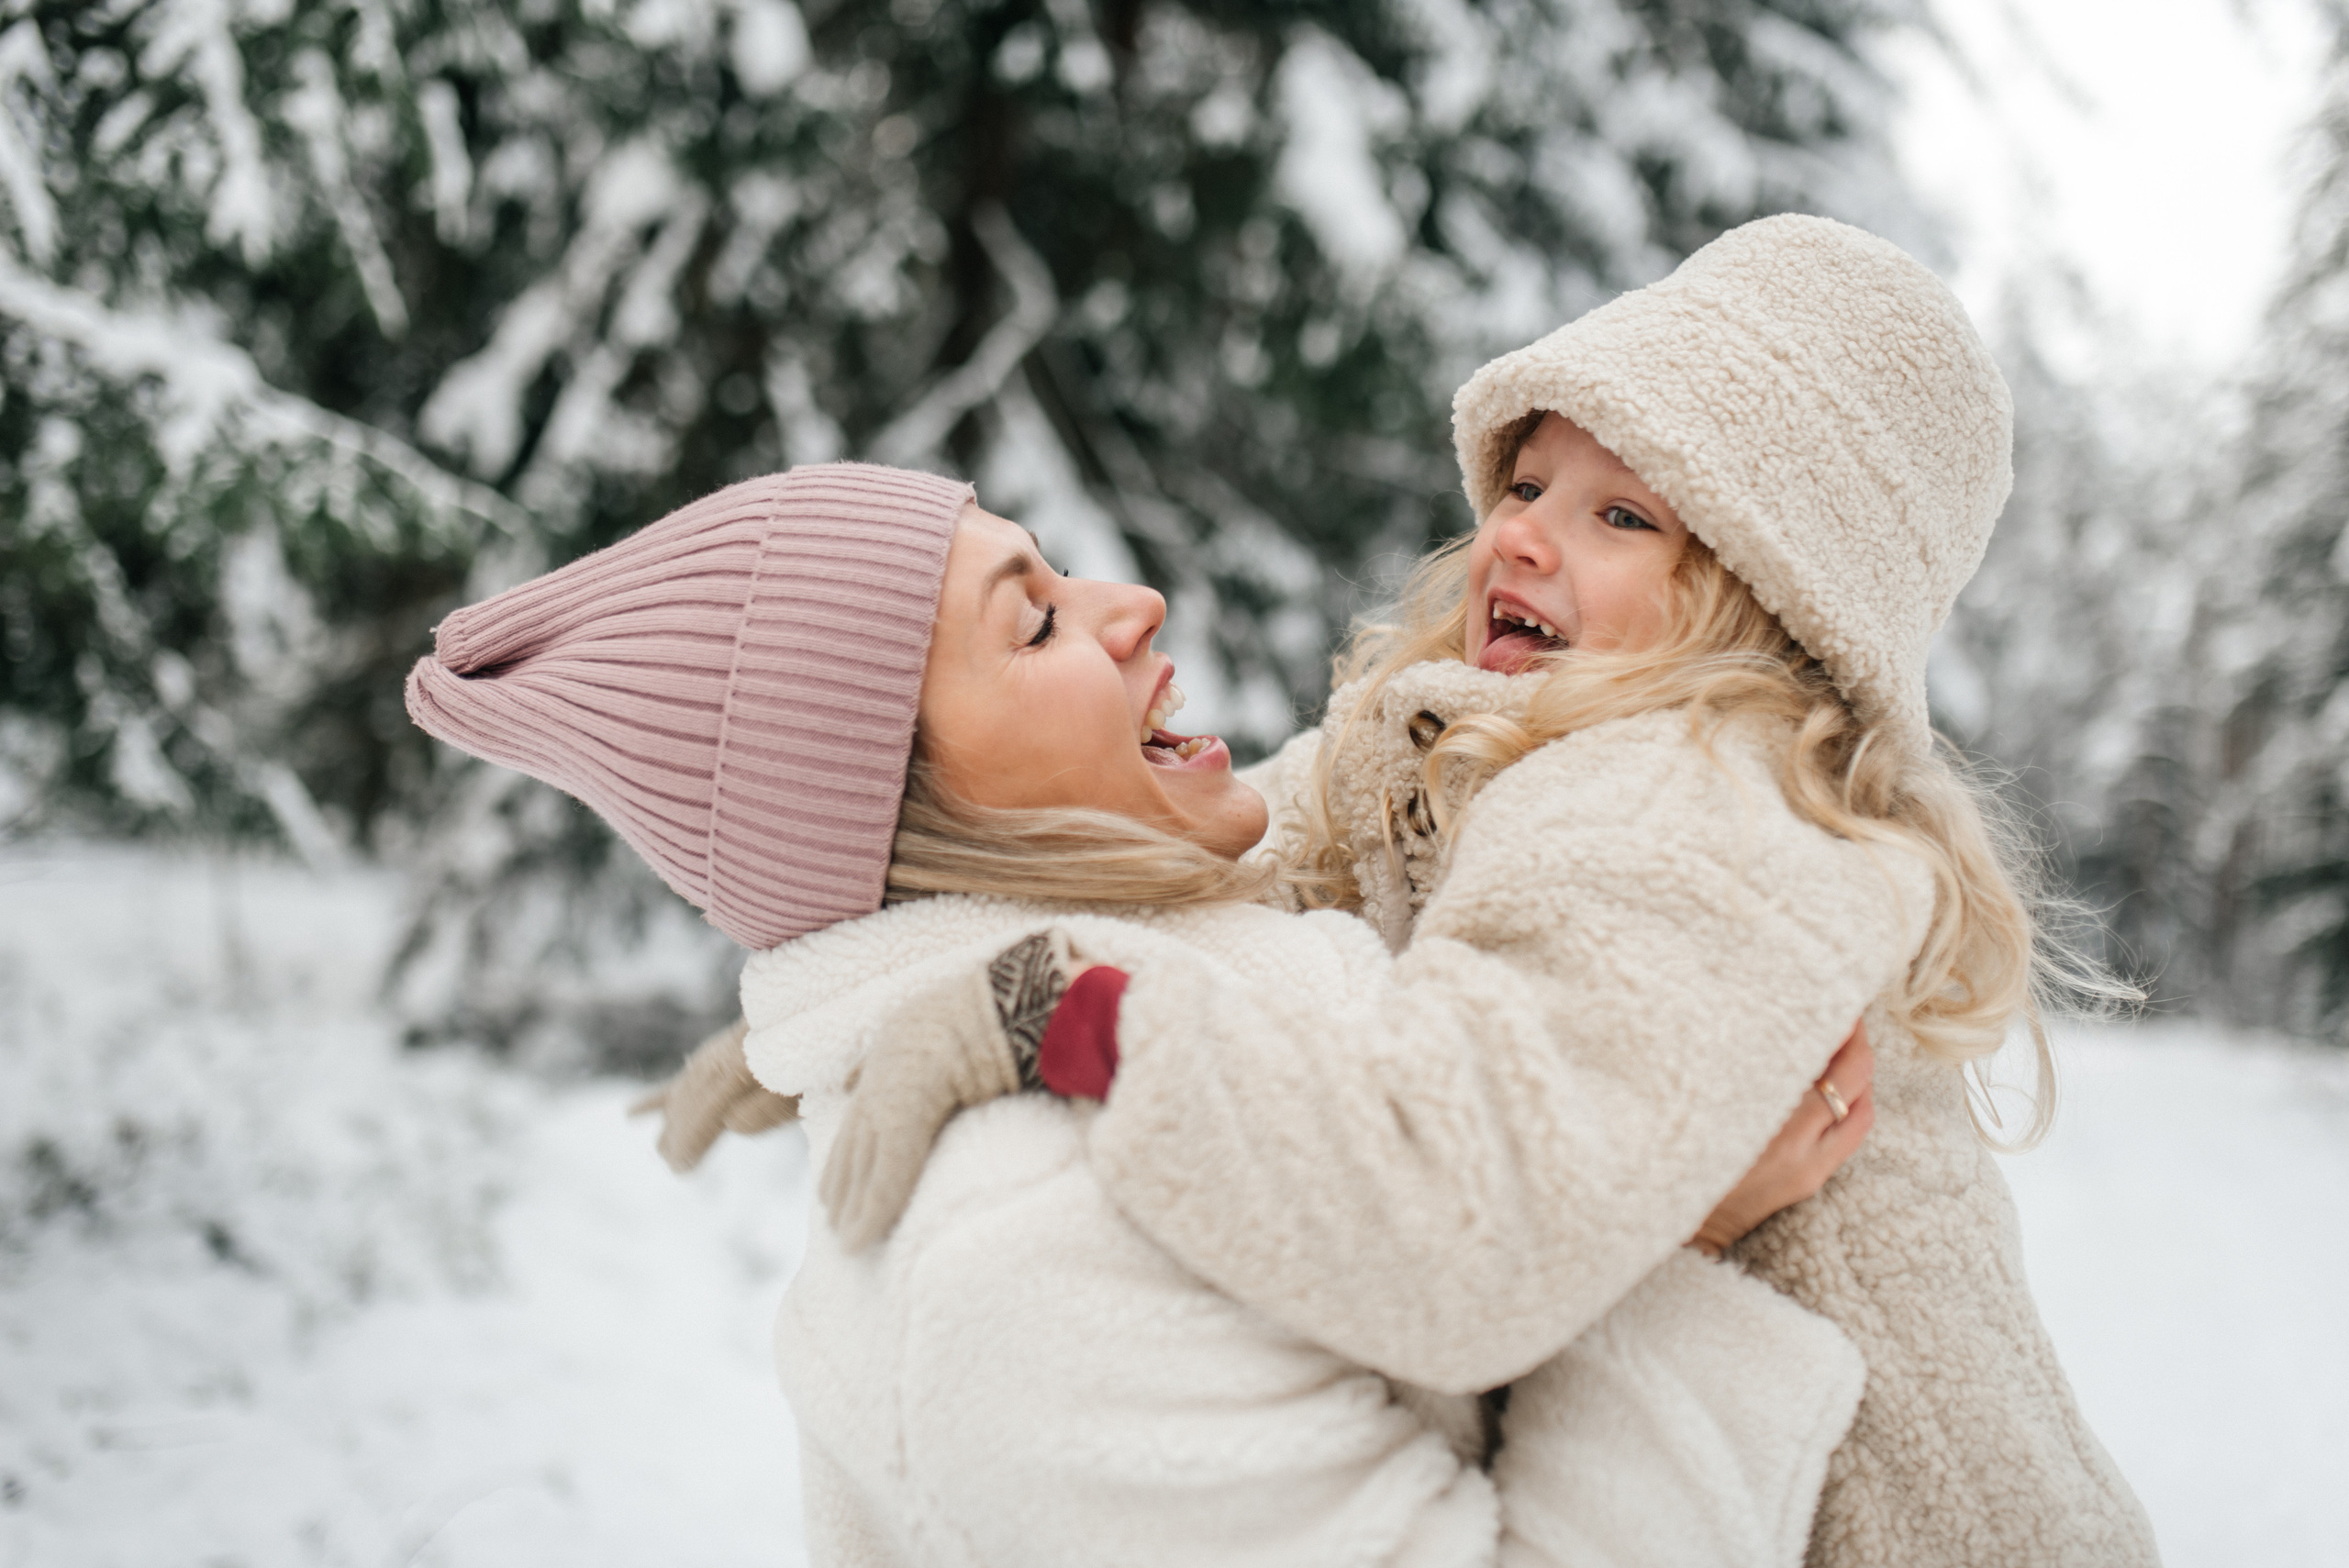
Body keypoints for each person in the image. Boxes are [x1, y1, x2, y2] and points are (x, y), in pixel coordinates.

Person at [817, 216, 2160, 1568]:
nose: (1520, 537)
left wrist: (1068, 1010)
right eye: (1526, 480)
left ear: (1763, 609)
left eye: (1622, 514)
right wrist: (858, 966)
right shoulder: (1508, 746)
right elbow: (1261, 839)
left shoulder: (1685, 803)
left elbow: (1445, 1217)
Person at [408, 463, 1879, 1567]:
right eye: (1036, 623)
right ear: (910, 819)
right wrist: (1671, 1243)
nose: (1133, 606)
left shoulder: (1208, 963)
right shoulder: (1025, 1253)